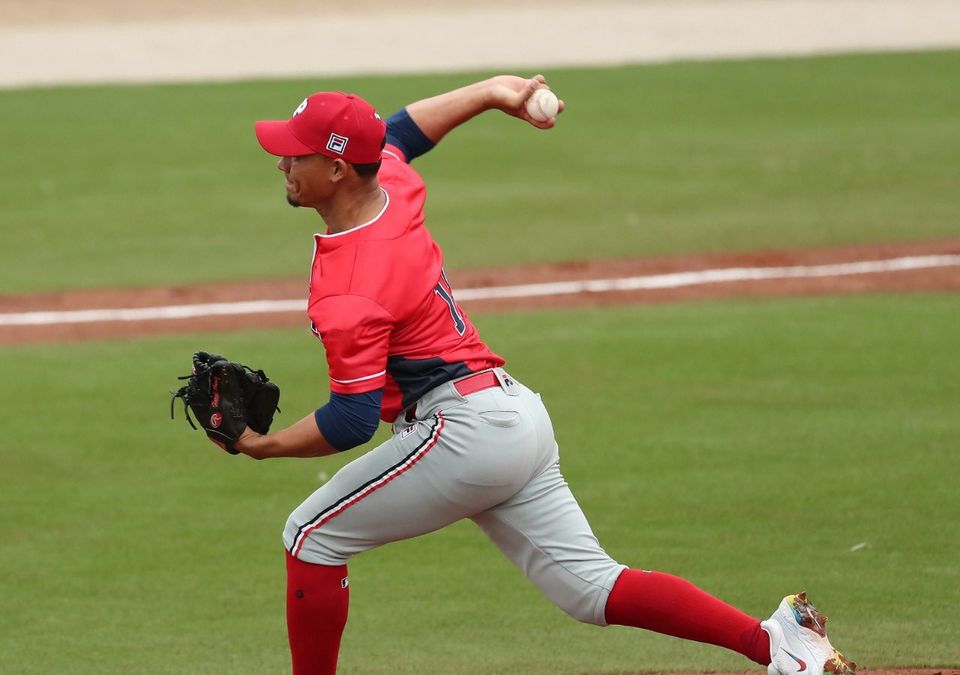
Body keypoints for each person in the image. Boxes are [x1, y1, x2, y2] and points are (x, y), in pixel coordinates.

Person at [226, 74, 855, 675]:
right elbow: (401, 132)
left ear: (337, 170)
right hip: (515, 415)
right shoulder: (388, 183)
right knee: (593, 589)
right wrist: (494, 92)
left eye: (294, 154)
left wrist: (262, 445)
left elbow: (353, 419)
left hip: (461, 435)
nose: (281, 162)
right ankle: (777, 642)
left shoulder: (352, 289)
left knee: (310, 536)